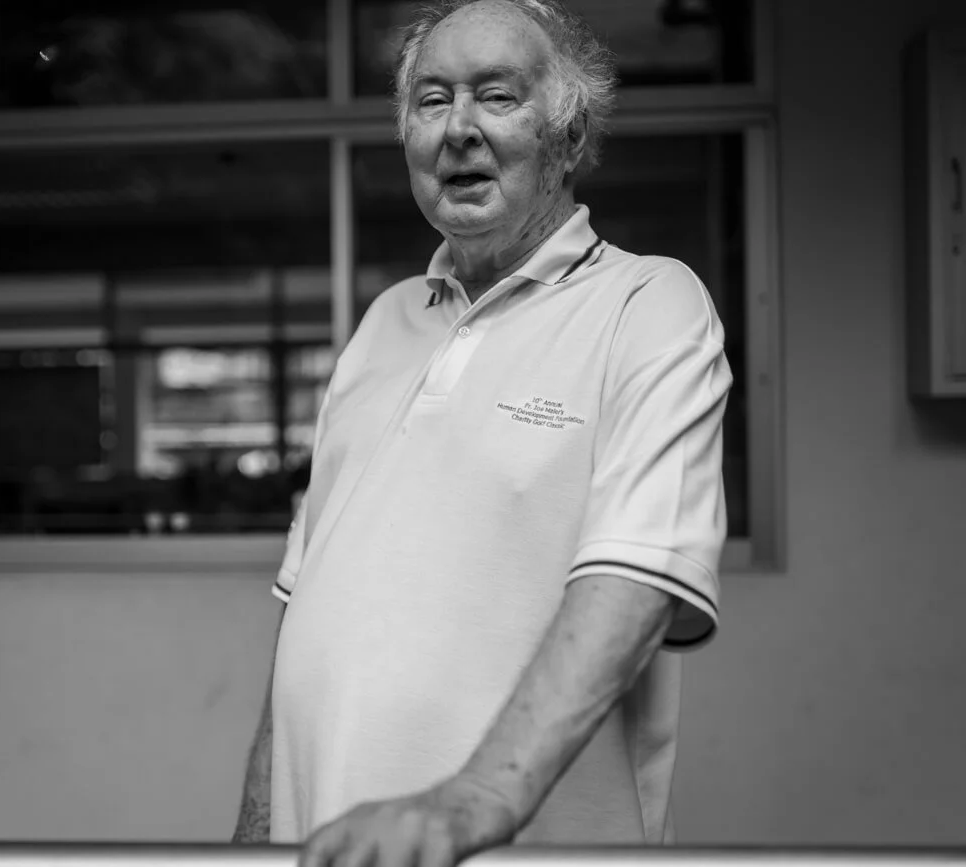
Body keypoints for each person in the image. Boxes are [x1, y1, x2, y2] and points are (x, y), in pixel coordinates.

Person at [232, 1, 733, 865]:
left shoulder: (648, 305)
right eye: (432, 100)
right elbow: (301, 617)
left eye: (496, 96)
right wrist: (250, 835)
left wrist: (475, 802)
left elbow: (638, 583)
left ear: (569, 138)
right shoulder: (382, 326)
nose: (457, 128)